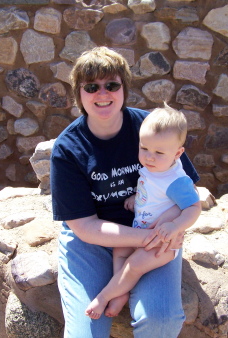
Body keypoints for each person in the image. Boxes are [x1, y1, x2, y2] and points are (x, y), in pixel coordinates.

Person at [50, 46, 201, 338]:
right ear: (78, 94)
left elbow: (186, 191)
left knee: (160, 319)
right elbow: (83, 226)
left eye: (111, 85)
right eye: (91, 87)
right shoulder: (68, 148)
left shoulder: (151, 130)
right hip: (93, 241)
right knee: (85, 334)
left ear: (124, 88)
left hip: (153, 228)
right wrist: (149, 238)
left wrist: (169, 227)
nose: (102, 94)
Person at [85, 104, 201, 320]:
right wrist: (136, 198)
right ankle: (122, 291)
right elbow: (154, 191)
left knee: (133, 265)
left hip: (163, 242)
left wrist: (175, 226)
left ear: (178, 153)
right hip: (142, 230)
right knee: (120, 251)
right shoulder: (155, 168)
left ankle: (104, 297)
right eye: (144, 148)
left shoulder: (176, 180)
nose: (149, 157)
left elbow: (194, 207)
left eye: (158, 152)